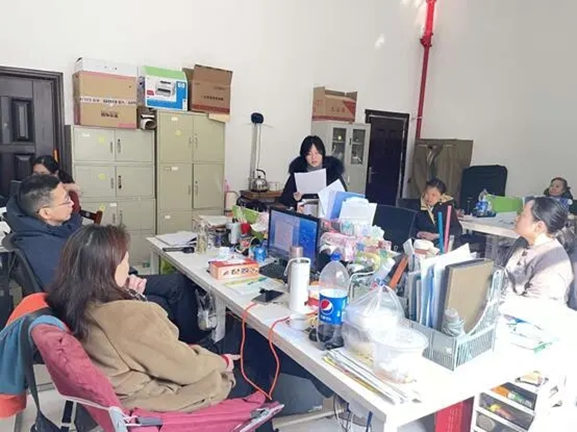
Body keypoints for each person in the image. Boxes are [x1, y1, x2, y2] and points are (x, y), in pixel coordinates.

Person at [46, 224, 326, 430]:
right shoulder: (124, 316)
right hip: (166, 394)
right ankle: (285, 404)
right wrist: (221, 362)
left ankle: (322, 384)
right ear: (105, 270)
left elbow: (154, 350)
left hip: (143, 379)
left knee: (248, 338)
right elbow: (186, 368)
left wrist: (131, 296)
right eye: (125, 262)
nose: (129, 268)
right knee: (255, 353)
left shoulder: (77, 301)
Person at [5, 174, 207, 344]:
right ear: (45, 212)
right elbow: (71, 296)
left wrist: (123, 277)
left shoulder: (53, 228)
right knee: (162, 303)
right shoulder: (39, 247)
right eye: (66, 200)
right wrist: (125, 292)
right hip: (97, 299)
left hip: (106, 279)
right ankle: (190, 346)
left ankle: (190, 342)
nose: (72, 204)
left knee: (178, 283)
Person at [502, 197, 574, 304]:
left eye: (522, 215)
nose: (516, 218)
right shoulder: (523, 241)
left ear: (539, 226)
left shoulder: (552, 263)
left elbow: (536, 307)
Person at [279, 135, 345, 208]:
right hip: (304, 213)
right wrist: (294, 198)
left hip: (326, 213)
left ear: (322, 153)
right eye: (309, 154)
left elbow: (344, 197)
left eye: (317, 153)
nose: (313, 157)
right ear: (304, 155)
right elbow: (284, 199)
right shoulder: (298, 172)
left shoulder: (333, 171)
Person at [415, 178, 462, 244]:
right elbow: (408, 226)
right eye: (427, 193)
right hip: (421, 242)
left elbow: (457, 230)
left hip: (441, 242)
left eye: (433, 195)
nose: (429, 198)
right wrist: (418, 233)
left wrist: (436, 236)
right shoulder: (416, 205)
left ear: (441, 196)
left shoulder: (446, 206)